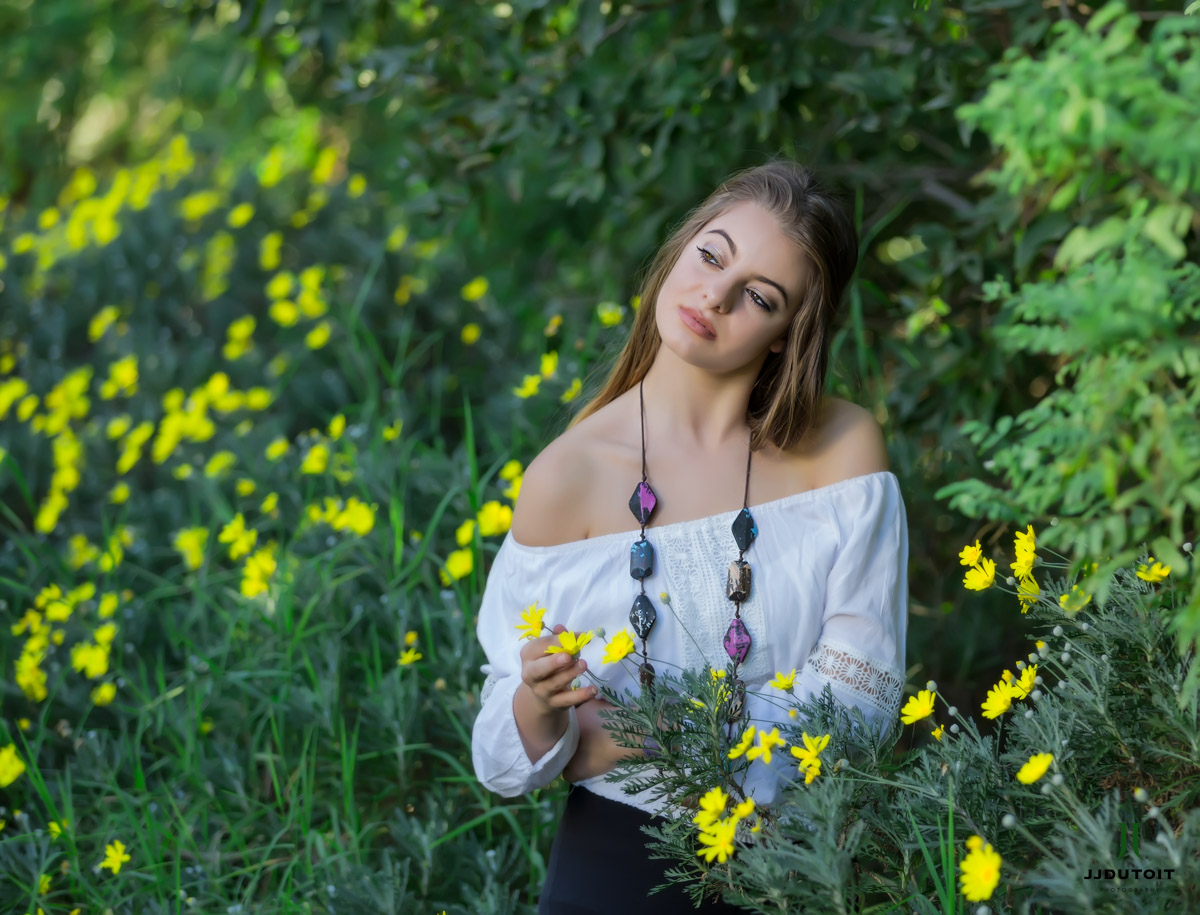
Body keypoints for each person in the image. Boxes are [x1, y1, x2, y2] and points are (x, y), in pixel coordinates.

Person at [470, 159, 909, 913]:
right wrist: (547, 711)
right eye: (711, 254)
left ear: (786, 334)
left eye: (760, 297)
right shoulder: (565, 475)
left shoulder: (842, 453)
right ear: (680, 250)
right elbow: (505, 742)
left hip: (802, 868)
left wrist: (633, 739)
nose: (715, 295)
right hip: (616, 865)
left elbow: (860, 700)